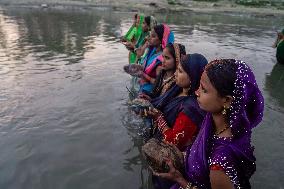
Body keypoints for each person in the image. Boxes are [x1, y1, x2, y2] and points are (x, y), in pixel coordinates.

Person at [152, 59, 264, 189]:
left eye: (204, 90)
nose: (196, 92)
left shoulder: (220, 163)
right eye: (199, 86)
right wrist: (185, 154)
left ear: (227, 100)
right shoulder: (214, 121)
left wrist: (179, 179)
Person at [148, 54, 208, 151]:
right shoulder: (177, 88)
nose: (175, 74)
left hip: (166, 151)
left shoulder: (192, 109)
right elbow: (160, 102)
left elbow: (174, 143)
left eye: (180, 71)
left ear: (193, 77)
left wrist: (158, 118)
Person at [138, 24, 174, 96]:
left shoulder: (161, 60)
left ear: (161, 40)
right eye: (150, 35)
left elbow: (160, 84)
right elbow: (139, 54)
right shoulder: (152, 51)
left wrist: (143, 75)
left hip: (149, 94)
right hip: (142, 88)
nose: (149, 38)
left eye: (153, 36)